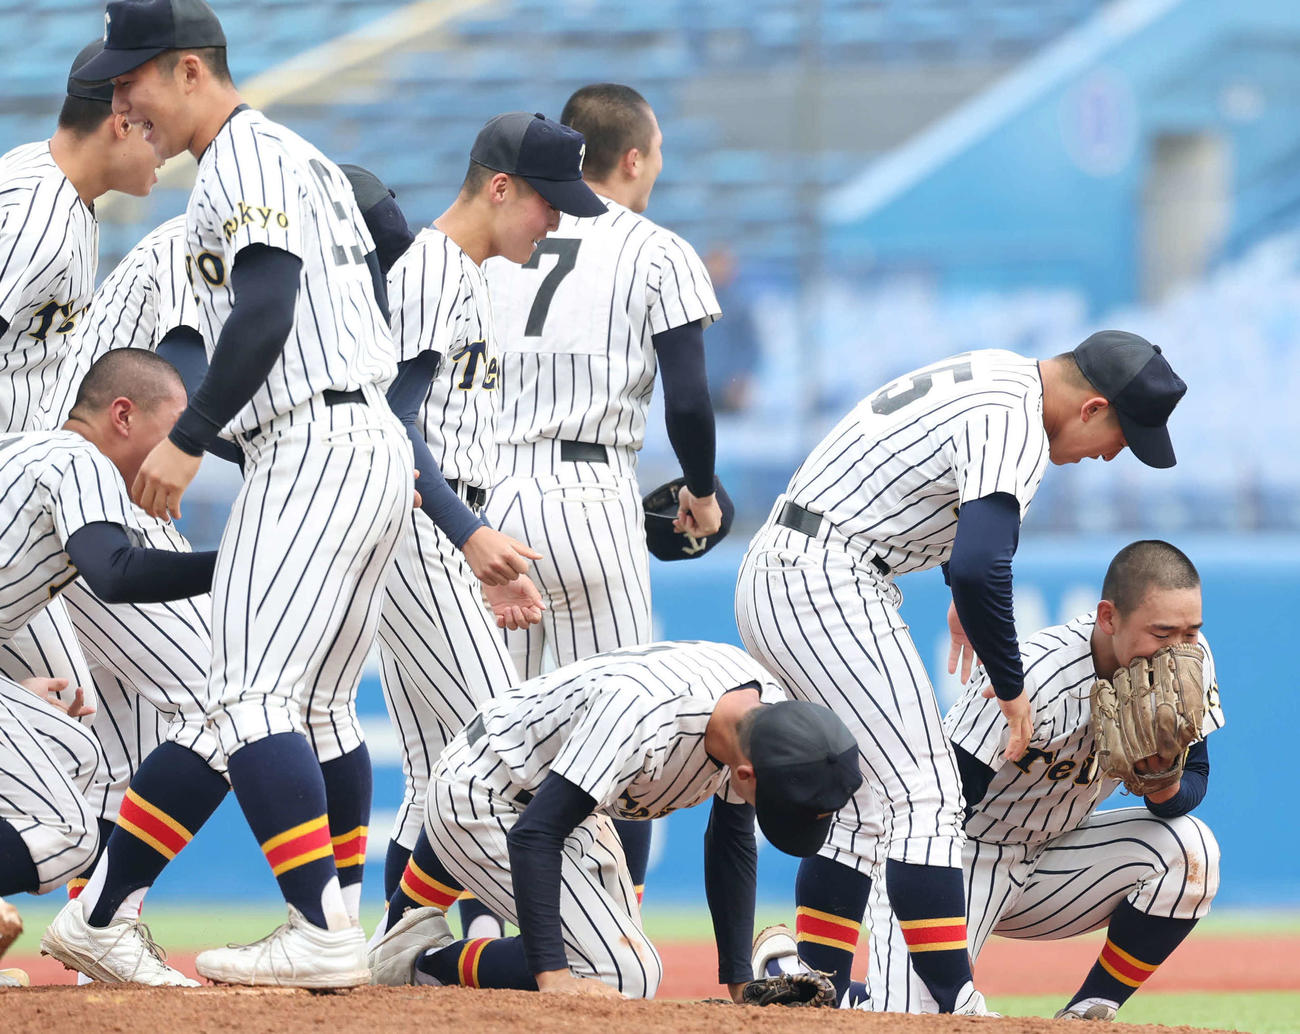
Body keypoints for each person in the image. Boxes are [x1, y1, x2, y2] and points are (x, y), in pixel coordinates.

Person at [65, 0, 414, 987]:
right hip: (356, 431)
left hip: (312, 440)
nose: (125, 105)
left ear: (187, 69)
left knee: (255, 695)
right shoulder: (295, 159)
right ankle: (105, 914)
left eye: (134, 82)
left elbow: (265, 309)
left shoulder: (244, 158)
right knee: (299, 705)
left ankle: (317, 924)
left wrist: (185, 439)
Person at [734, 331, 1187, 1013]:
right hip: (826, 578)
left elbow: (945, 516)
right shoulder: (1018, 425)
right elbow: (982, 562)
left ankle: (813, 990)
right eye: (1122, 433)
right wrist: (1011, 688)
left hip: (796, 563)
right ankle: (957, 1001)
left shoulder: (1001, 379)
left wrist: (957, 592)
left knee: (866, 801)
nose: (1113, 451)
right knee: (927, 793)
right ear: (1092, 408)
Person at [483, 83, 723, 897]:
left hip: (488, 500)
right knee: (623, 731)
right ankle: (613, 923)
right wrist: (700, 490)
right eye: (655, 154)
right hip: (590, 496)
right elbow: (687, 398)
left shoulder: (501, 238)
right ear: (630, 158)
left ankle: (482, 926)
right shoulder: (655, 248)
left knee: (499, 739)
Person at [375, 113, 604, 939]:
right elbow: (393, 423)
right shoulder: (432, 271)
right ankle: (545, 944)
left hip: (434, 522)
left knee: (442, 769)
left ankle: (399, 948)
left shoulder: (465, 273)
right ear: (501, 187)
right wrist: (469, 534)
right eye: (548, 204)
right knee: (503, 749)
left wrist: (477, 548)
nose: (555, 224)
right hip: (415, 526)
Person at [365, 640, 861, 999]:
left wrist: (737, 980)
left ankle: (420, 940)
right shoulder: (644, 715)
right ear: (748, 774)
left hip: (562, 804)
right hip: (486, 795)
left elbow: (731, 840)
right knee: (617, 974)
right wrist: (553, 976)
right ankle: (417, 961)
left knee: (633, 974)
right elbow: (535, 834)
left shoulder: (760, 717)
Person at [857, 540, 1222, 1019]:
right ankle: (833, 991)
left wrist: (1162, 783)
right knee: (912, 1019)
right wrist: (950, 966)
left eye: (1190, 631)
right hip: (960, 855)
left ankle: (1089, 1011)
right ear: (1108, 618)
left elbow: (1194, 778)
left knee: (1192, 851)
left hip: (1056, 855)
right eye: (1162, 632)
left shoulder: (1189, 664)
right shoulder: (1036, 674)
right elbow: (941, 805)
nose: (1178, 647)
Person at [3, 349, 221, 987]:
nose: (184, 453)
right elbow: (115, 572)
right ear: (122, 416)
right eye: (175, 430)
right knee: (63, 831)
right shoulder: (78, 460)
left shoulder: (27, 455)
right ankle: (100, 925)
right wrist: (242, 551)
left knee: (68, 744)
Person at [0, 37, 162, 743]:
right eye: (154, 129)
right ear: (120, 122)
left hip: (24, 500)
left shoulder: (64, 200)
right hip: (11, 509)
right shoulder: (37, 214)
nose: (170, 148)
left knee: (73, 740)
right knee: (70, 746)